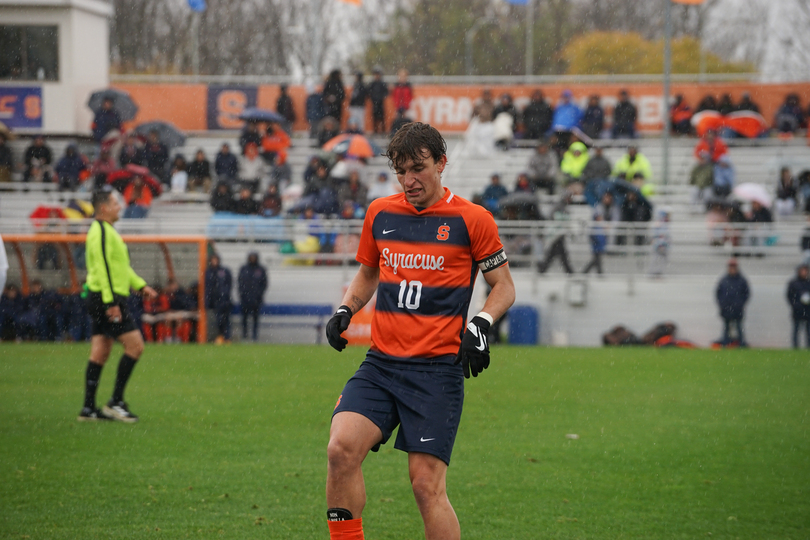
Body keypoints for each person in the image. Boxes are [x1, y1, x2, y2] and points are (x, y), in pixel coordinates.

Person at [323, 122, 515, 540]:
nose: (409, 180)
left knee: (426, 486)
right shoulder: (381, 213)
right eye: (401, 171)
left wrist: (480, 324)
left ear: (441, 163)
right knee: (340, 450)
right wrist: (346, 307)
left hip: (436, 373)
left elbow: (503, 287)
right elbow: (369, 271)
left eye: (418, 168)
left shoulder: (473, 219)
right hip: (382, 364)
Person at [79, 187, 158, 422]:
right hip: (107, 298)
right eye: (115, 203)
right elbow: (102, 268)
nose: (119, 207)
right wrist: (111, 302)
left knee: (100, 352)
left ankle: (88, 408)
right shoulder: (101, 232)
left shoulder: (106, 231)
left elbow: (120, 268)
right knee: (135, 347)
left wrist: (141, 285)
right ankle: (116, 401)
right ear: (103, 208)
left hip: (103, 297)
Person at [715, 258, 750, 347]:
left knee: (739, 327)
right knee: (726, 327)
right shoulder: (723, 280)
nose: (732, 269)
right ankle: (725, 343)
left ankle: (741, 343)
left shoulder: (742, 280)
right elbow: (718, 294)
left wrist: (740, 304)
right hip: (726, 308)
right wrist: (722, 304)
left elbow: (746, 294)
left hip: (737, 309)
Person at [238, 252, 268, 342]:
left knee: (255, 317)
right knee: (244, 317)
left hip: (256, 299)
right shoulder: (244, 269)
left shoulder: (261, 269)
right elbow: (240, 282)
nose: (252, 259)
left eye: (254, 257)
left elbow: (264, 283)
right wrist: (242, 293)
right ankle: (244, 334)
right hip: (245, 298)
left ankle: (255, 335)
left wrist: (259, 294)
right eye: (251, 257)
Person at [205, 255, 232, 344]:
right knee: (218, 320)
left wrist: (225, 295)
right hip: (215, 301)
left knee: (226, 320)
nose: (214, 262)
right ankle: (221, 336)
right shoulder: (208, 272)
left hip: (225, 300)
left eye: (216, 260)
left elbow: (229, 284)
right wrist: (208, 300)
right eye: (213, 260)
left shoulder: (224, 271)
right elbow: (207, 287)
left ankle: (227, 338)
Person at [786, 264, 810, 348]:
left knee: (808, 331)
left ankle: (808, 347)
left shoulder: (808, 283)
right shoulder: (794, 283)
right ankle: (795, 347)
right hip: (797, 311)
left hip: (808, 310)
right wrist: (796, 305)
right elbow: (789, 296)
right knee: (796, 330)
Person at [368, 67, 389, 135]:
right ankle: (375, 131)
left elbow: (386, 92)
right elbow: (369, 92)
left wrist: (380, 97)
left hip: (381, 103)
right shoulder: (372, 84)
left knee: (382, 118)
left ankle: (383, 131)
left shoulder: (382, 83)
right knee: (374, 118)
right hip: (374, 103)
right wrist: (373, 97)